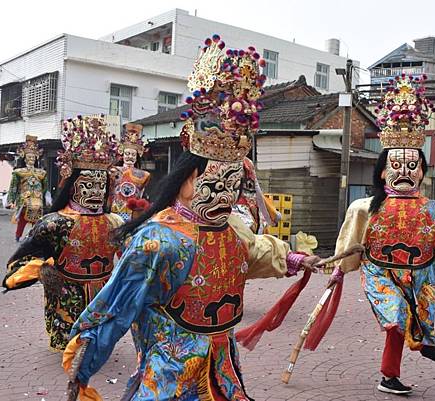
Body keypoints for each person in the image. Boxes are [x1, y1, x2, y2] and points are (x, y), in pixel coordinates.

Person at [62, 35, 321, 401]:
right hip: (171, 365)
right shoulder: (158, 240)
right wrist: (84, 363)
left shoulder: (231, 228)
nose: (225, 195)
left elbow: (252, 252)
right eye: (214, 183)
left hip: (220, 364)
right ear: (186, 179)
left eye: (233, 185)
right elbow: (116, 305)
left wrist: (296, 258)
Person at [304, 74, 435, 395]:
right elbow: (349, 244)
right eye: (397, 164)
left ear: (422, 171)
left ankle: (390, 375)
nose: (404, 171)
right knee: (396, 316)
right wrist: (337, 269)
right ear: (382, 171)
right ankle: (415, 345)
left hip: (420, 278)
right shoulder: (366, 207)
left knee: (407, 326)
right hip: (381, 275)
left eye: (412, 165)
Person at [2, 115, 123, 351]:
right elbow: (24, 257)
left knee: (97, 338)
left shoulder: (115, 221)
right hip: (68, 287)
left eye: (100, 185)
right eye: (88, 185)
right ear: (72, 187)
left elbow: (130, 258)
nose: (95, 190)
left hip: (103, 287)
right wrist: (42, 268)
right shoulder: (55, 223)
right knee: (68, 338)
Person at [7, 135, 46, 242]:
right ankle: (18, 235)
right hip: (24, 199)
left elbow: (45, 188)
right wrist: (11, 200)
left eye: (33, 157)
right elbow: (13, 187)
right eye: (29, 157)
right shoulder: (19, 172)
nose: (31, 159)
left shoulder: (42, 173)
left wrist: (47, 198)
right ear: (24, 158)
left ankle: (35, 236)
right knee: (23, 219)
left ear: (36, 158)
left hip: (38, 198)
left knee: (37, 220)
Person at [108, 123, 151, 221]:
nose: (130, 157)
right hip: (113, 211)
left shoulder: (144, 175)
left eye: (133, 154)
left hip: (132, 212)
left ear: (137, 157)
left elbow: (141, 195)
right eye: (127, 154)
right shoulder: (113, 170)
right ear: (122, 155)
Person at [232, 157, 281, 233]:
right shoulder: (248, 163)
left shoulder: (247, 163)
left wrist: (268, 217)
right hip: (245, 213)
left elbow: (257, 190)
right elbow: (258, 191)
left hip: (243, 212)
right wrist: (269, 218)